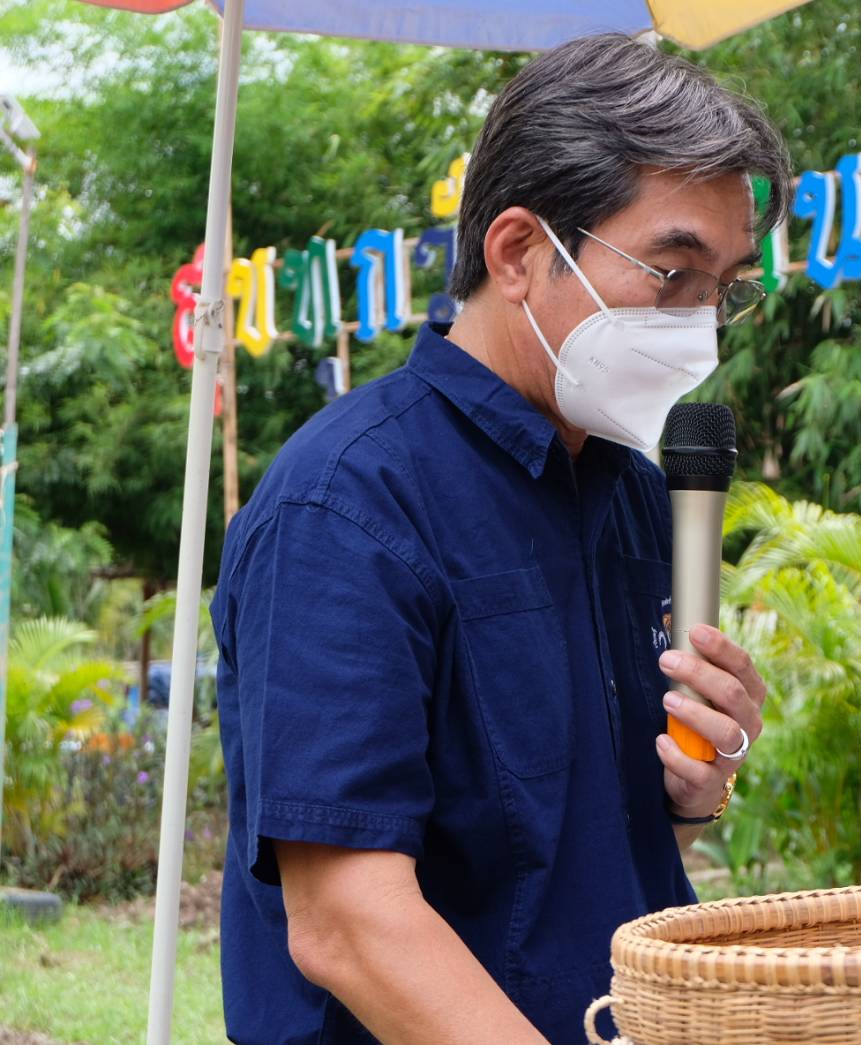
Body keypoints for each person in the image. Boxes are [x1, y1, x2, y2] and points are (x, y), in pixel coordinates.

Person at [212, 35, 790, 1045]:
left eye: (725, 286)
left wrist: (696, 790)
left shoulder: (636, 497)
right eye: (671, 274)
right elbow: (347, 919)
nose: (701, 325)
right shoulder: (347, 504)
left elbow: (584, 842)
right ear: (520, 252)